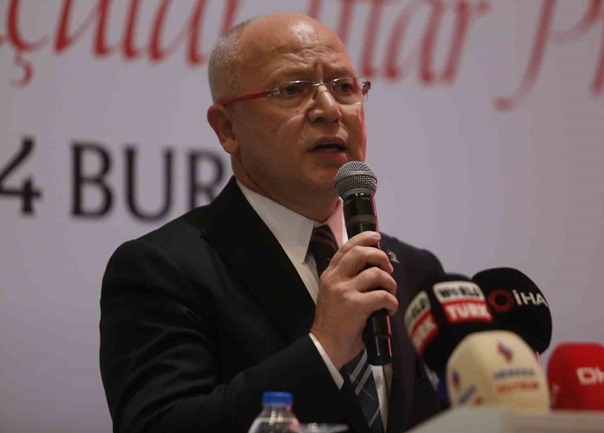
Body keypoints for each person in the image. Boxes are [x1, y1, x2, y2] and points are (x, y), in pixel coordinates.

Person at [100, 12, 444, 433]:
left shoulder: (416, 271)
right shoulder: (162, 270)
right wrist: (323, 348)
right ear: (227, 129)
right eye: (293, 89)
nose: (330, 110)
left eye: (344, 87)